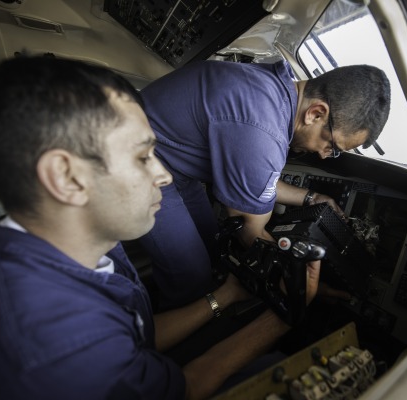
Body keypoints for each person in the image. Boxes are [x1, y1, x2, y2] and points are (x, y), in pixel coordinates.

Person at [0, 56, 321, 400]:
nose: (164, 175)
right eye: (143, 156)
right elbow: (182, 388)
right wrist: (284, 317)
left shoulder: (84, 250)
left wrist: (228, 294)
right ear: (66, 176)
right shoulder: (56, 338)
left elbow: (133, 334)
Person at [139, 60, 391, 309]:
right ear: (316, 114)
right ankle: (152, 341)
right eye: (332, 146)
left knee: (214, 247)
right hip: (138, 162)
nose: (325, 155)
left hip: (174, 162)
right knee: (192, 276)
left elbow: (251, 179)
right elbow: (249, 230)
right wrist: (306, 286)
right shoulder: (264, 131)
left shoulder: (271, 87)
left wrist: (312, 198)